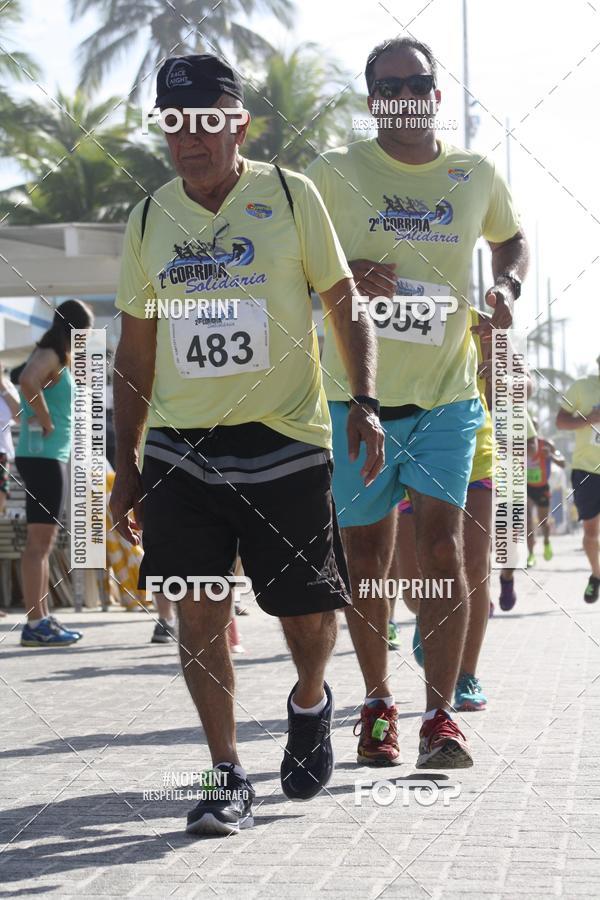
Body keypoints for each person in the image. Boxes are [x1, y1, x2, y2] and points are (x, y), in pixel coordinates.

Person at [110, 54, 384, 836]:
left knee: (304, 609)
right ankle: (225, 771)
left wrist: (362, 403)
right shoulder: (148, 218)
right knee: (197, 608)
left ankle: (309, 701)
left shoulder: (293, 198)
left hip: (286, 438)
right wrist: (124, 466)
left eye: (203, 120)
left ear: (238, 124)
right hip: (180, 446)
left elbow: (344, 302)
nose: (188, 138)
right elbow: (135, 354)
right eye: (173, 123)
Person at [307, 37, 528, 768]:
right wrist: (338, 278)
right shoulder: (334, 175)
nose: (404, 93)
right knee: (366, 557)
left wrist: (506, 285)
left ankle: (439, 716)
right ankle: (376, 703)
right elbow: (288, 262)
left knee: (441, 547)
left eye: (418, 81)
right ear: (373, 100)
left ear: (436, 94)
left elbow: (513, 238)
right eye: (388, 83)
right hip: (355, 399)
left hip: (445, 395)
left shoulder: (474, 173)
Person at [390, 307, 494, 712]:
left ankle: (466, 675)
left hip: (472, 445)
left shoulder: (472, 313)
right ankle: (428, 616)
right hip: (408, 443)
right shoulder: (386, 300)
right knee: (416, 582)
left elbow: (510, 386)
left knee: (474, 564)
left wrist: (505, 365)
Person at [16, 299, 94, 646]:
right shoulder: (49, 352)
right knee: (39, 544)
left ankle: (41, 617)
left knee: (43, 545)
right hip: (44, 457)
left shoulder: (56, 355)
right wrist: (44, 422)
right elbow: (27, 381)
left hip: (48, 456)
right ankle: (35, 623)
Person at [556, 355, 600, 602]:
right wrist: (589, 419)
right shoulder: (582, 387)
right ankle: (596, 574)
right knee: (591, 531)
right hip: (587, 470)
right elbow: (560, 421)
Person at [498, 409, 538, 610]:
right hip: (479, 480)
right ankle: (481, 597)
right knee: (478, 545)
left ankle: (507, 577)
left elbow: (532, 446)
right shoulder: (469, 401)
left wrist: (506, 446)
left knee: (510, 548)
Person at [525, 417, 565, 567]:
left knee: (543, 522)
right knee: (528, 522)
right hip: (525, 487)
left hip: (541, 487)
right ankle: (530, 554)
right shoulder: (518, 445)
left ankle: (547, 541)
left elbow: (563, 463)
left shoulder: (546, 444)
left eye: (533, 426)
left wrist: (552, 456)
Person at [0, 369, 21, 517]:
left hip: (1, 451)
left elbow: (19, 416)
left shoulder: (7, 386)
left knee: (2, 491)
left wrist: (2, 385)